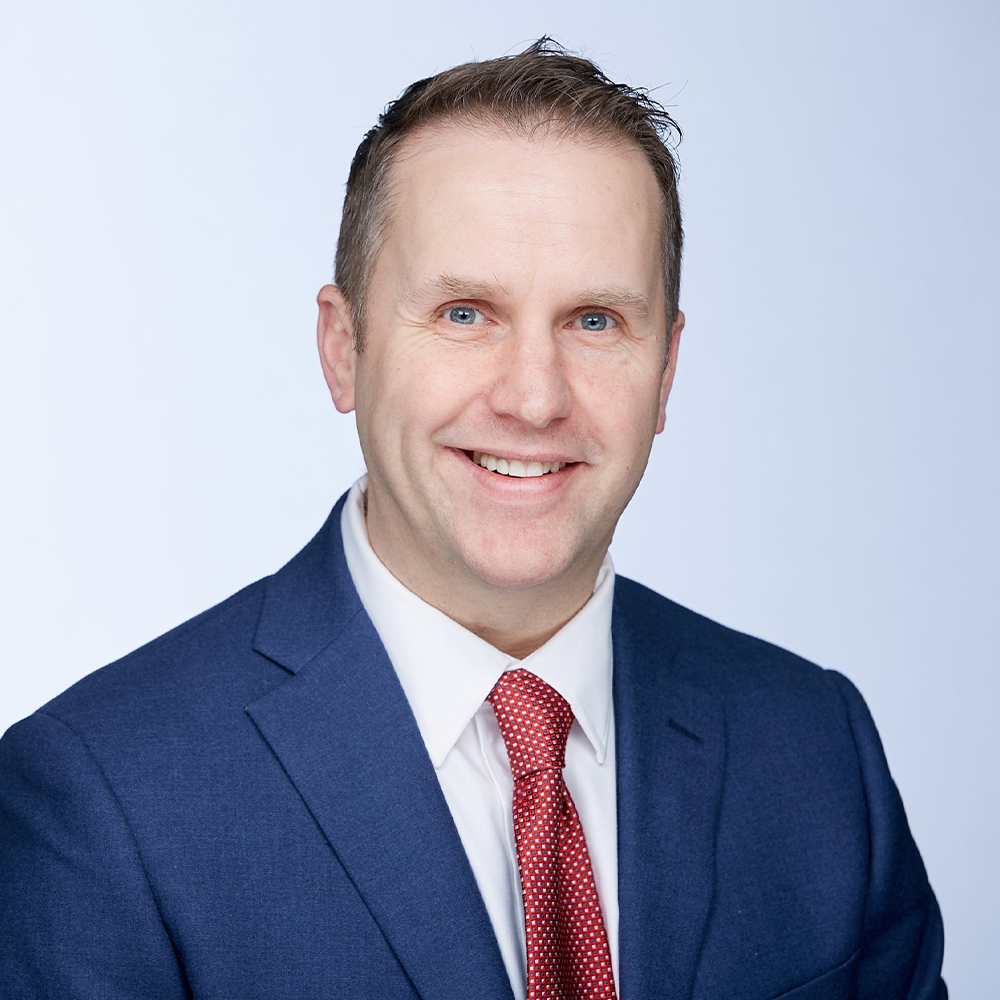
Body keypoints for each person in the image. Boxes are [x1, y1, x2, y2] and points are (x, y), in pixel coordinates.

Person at [0, 38, 946, 1000]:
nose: (534, 399)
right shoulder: (102, 801)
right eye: (464, 313)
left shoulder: (817, 751)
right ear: (343, 348)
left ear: (666, 371)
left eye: (595, 321)